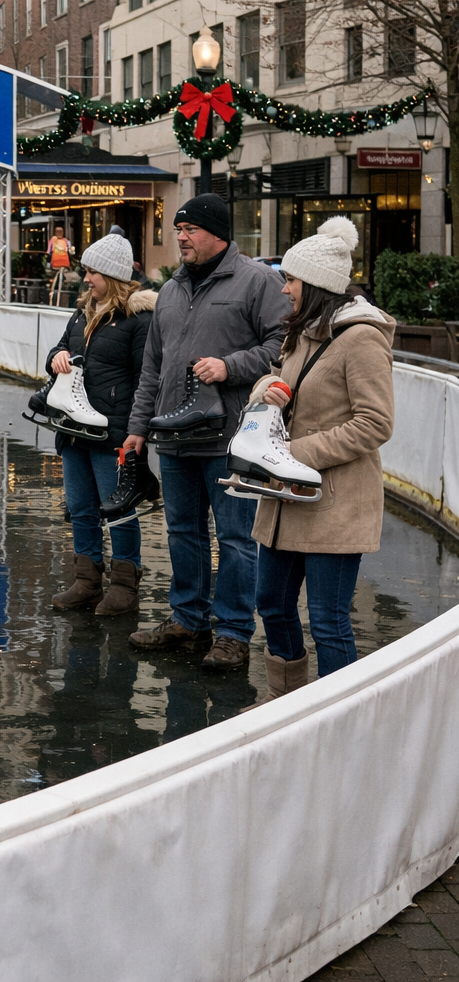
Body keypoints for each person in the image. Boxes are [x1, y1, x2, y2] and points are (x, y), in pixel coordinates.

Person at [124, 194, 292, 669]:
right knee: (182, 531)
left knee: (237, 538)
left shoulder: (259, 281)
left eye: (190, 229)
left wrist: (231, 366)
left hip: (231, 439)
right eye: (178, 229)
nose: (181, 237)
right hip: (173, 436)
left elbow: (283, 346)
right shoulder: (172, 288)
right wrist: (138, 428)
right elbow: (152, 366)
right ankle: (187, 620)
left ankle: (234, 633)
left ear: (218, 233)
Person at [249, 218, 394, 698]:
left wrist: (293, 452)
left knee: (329, 622)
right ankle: (285, 704)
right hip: (283, 496)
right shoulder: (302, 331)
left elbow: (375, 423)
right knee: (271, 603)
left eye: (290, 279)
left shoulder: (361, 338)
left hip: (333, 501)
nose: (284, 288)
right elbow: (275, 377)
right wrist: (265, 388)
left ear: (313, 286)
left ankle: (336, 721)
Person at [46, 233, 156, 616]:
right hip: (74, 430)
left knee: (119, 509)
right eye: (86, 270)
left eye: (93, 272)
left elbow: (148, 378)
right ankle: (87, 581)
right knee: (80, 507)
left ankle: (125, 585)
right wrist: (57, 356)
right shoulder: (82, 312)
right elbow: (57, 349)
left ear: (113, 275)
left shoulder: (138, 319)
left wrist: (135, 432)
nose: (86, 278)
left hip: (114, 433)